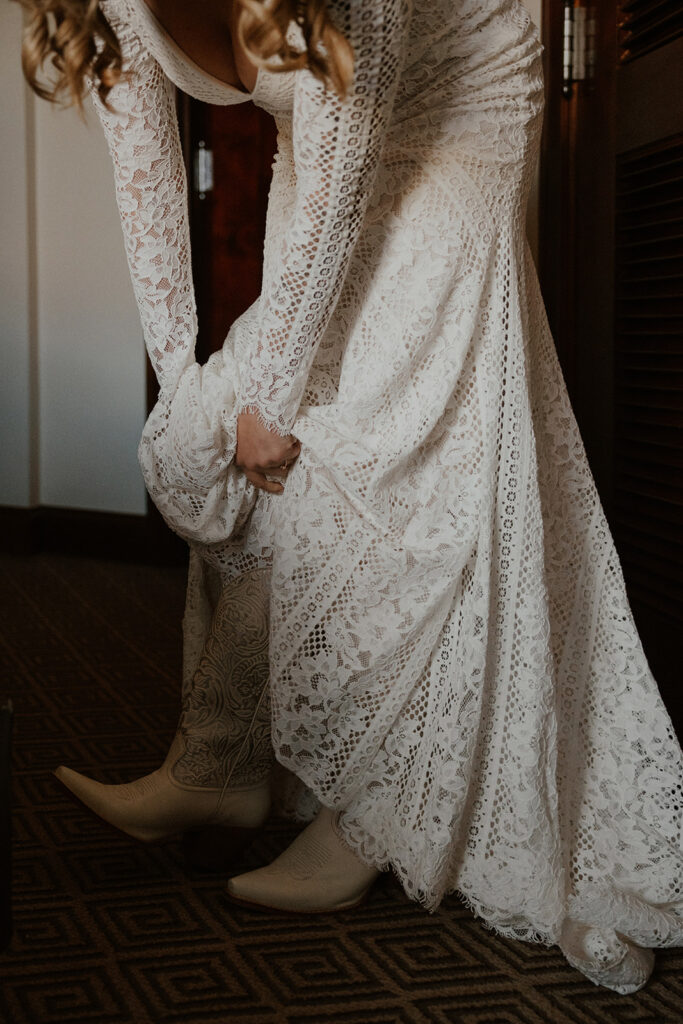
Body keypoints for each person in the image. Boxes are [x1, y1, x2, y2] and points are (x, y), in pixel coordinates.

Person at [19, 0, 683, 994]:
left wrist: (272, 400)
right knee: (233, 422)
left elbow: (350, 157)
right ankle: (220, 761)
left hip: (450, 133)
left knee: (356, 441)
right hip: (319, 153)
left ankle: (371, 814)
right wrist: (189, 400)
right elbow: (146, 174)